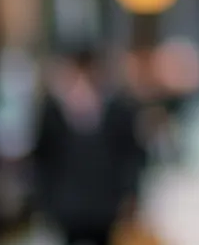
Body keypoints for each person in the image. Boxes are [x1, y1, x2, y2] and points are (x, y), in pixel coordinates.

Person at [32, 47, 147, 245]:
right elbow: (43, 157)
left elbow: (131, 155)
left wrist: (129, 194)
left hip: (105, 205)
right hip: (67, 205)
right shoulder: (53, 110)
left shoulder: (119, 108)